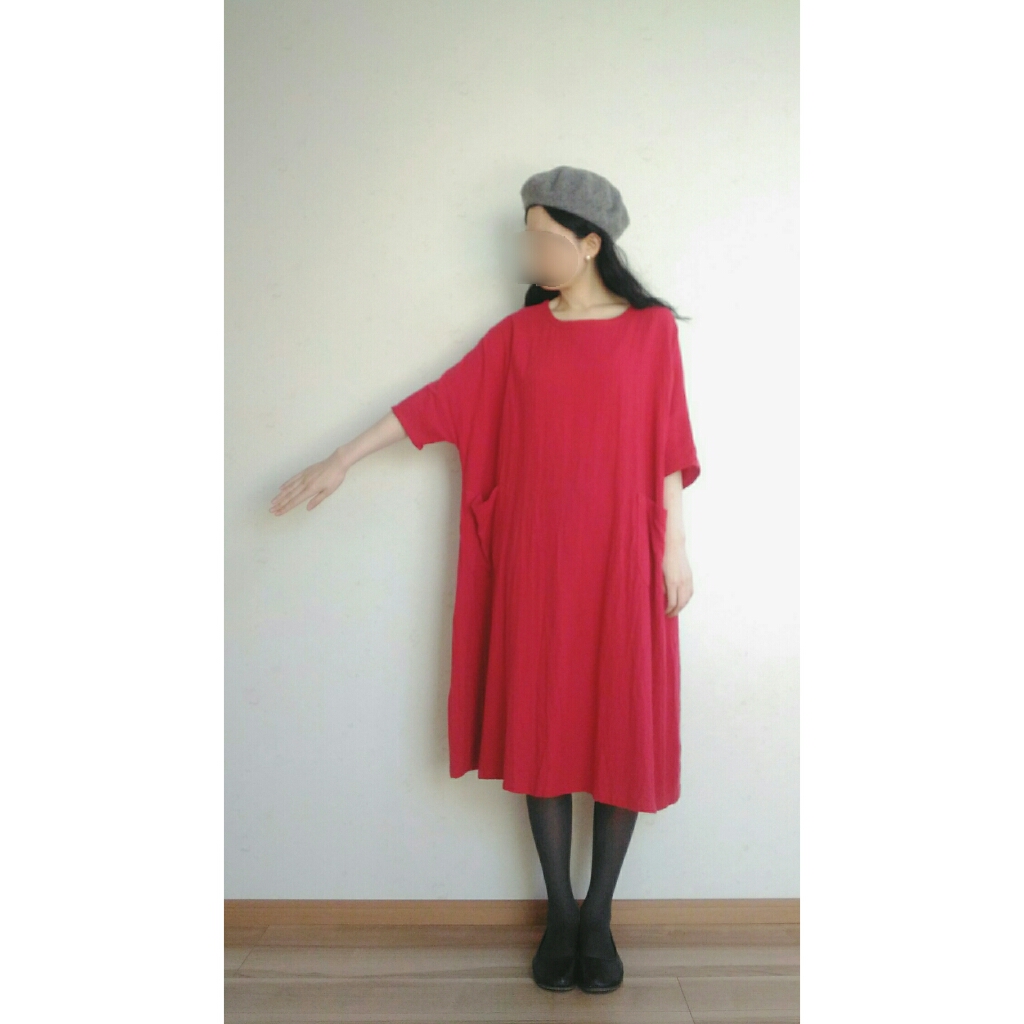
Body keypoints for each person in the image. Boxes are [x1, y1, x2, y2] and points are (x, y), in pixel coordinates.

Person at [269, 166, 701, 995]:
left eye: (543, 235)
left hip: (623, 557)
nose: (529, 250)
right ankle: (560, 916)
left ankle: (600, 916)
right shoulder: (518, 337)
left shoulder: (651, 333)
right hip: (539, 566)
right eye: (526, 235)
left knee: (620, 725)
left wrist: (673, 549)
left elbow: (668, 448)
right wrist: (341, 459)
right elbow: (435, 403)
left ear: (590, 243)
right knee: (543, 727)